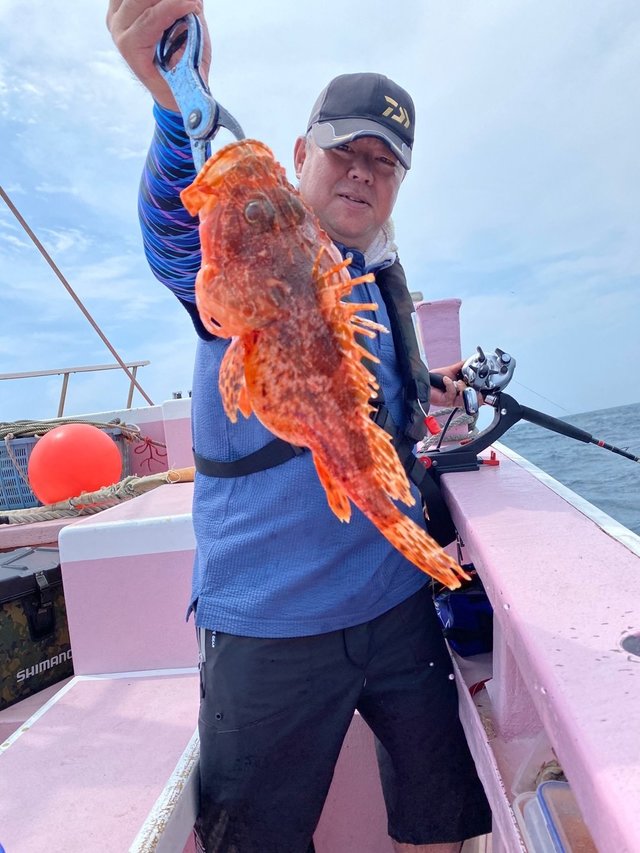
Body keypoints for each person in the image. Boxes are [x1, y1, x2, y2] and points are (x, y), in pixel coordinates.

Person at [107, 2, 492, 851]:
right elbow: (179, 239)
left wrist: (432, 390)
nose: (361, 173)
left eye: (383, 163)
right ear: (300, 156)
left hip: (395, 607)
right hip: (268, 623)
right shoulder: (253, 261)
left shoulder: (378, 281)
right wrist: (177, 107)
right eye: (344, 152)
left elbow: (378, 397)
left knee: (442, 821)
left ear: (398, 184)